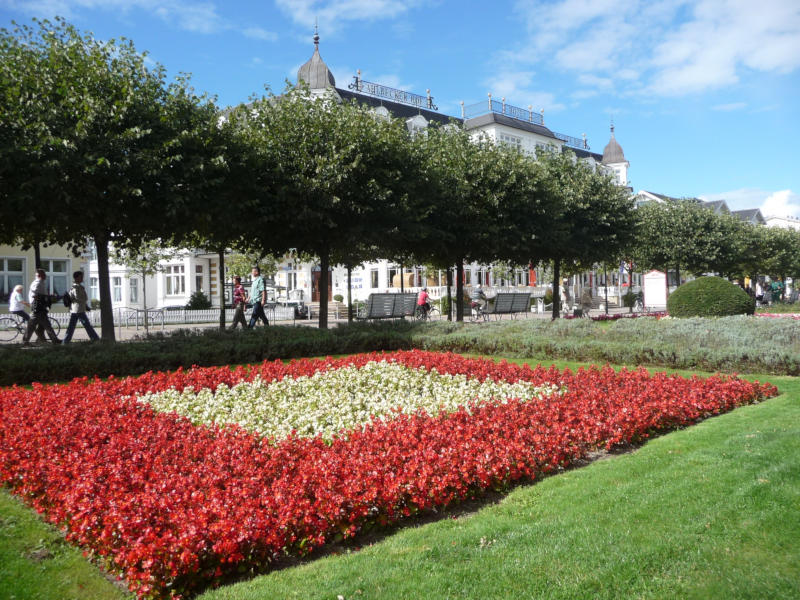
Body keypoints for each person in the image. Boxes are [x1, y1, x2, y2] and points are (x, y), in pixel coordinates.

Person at [22, 268, 60, 344]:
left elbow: (41, 294)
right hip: (38, 307)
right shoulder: (37, 283)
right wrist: (46, 297)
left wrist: (48, 296)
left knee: (43, 325)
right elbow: (36, 295)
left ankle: (46, 339)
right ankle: (26, 341)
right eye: (44, 274)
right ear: (39, 275)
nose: (45, 275)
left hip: (40, 307)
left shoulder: (41, 282)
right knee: (33, 325)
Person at [63, 271, 99, 343]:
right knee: (87, 325)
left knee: (72, 327)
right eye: (81, 277)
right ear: (76, 278)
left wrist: (86, 306)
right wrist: (84, 301)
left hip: (78, 309)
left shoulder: (79, 287)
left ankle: (65, 342)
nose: (82, 278)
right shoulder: (76, 287)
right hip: (78, 310)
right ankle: (95, 339)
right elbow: (78, 298)